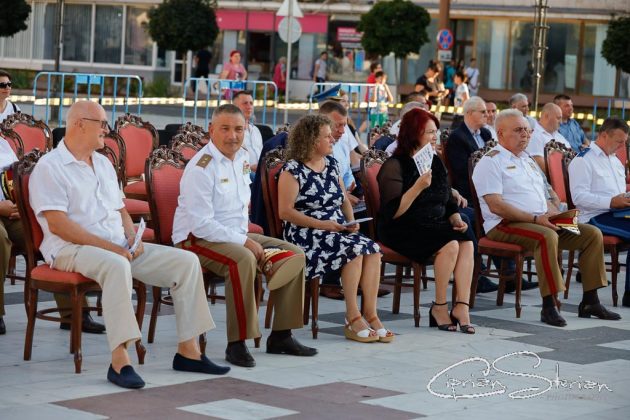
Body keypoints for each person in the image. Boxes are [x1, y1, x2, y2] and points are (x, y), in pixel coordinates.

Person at [29, 101, 229, 389]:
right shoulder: (50, 167)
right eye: (102, 124)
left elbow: (121, 208)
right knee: (116, 264)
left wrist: (131, 237)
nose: (107, 130)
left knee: (186, 263)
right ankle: (120, 360)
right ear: (80, 124)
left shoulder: (102, 162)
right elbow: (59, 226)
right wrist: (112, 248)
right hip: (70, 249)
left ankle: (189, 351)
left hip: (116, 246)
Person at [172, 104, 317, 368]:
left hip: (234, 234)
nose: (233, 136)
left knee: (294, 254)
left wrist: (245, 238)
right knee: (242, 259)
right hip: (195, 239)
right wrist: (245, 242)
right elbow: (201, 225)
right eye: (225, 129)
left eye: (239, 129)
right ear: (211, 130)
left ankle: (281, 336)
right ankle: (237, 343)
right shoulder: (202, 167)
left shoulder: (242, 158)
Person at [472, 109, 621, 327]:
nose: (525, 134)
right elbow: (496, 205)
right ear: (501, 133)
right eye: (518, 130)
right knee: (547, 237)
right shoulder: (491, 161)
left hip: (540, 220)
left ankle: (591, 301)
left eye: (527, 130)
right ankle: (549, 305)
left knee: (591, 234)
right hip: (505, 224)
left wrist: (553, 213)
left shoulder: (527, 160)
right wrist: (536, 219)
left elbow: (547, 193)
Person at [277, 114, 392, 343]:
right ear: (312, 141)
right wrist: (323, 225)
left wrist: (351, 222)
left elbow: (343, 199)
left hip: (335, 229)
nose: (333, 140)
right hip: (305, 234)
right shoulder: (292, 170)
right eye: (327, 136)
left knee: (372, 249)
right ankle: (352, 316)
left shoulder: (331, 163)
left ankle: (371, 314)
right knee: (355, 251)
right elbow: (285, 212)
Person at [377, 108, 475, 333]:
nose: (434, 137)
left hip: (432, 223)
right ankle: (439, 306)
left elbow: (446, 198)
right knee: (451, 244)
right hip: (401, 227)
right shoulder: (395, 165)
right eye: (430, 132)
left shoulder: (434, 160)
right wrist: (417, 187)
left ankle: (461, 306)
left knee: (467, 241)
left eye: (435, 132)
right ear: (414, 133)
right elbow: (393, 213)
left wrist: (454, 217)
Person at [568, 117, 630, 307]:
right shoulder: (584, 159)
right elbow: (579, 198)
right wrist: (611, 202)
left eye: (624, 142)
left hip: (615, 212)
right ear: (604, 135)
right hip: (593, 216)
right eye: (619, 141)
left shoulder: (615, 160)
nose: (622, 147)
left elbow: (619, 192)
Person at [526, 102, 571, 172]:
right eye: (558, 118)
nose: (561, 122)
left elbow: (570, 154)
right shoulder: (534, 135)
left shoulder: (558, 135)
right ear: (546, 116)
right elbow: (540, 165)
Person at [233, 90, 262, 175]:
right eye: (245, 103)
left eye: (251, 103)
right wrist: (250, 168)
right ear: (235, 107)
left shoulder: (255, 130)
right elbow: (229, 162)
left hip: (260, 173)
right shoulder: (231, 132)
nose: (249, 107)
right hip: (242, 173)